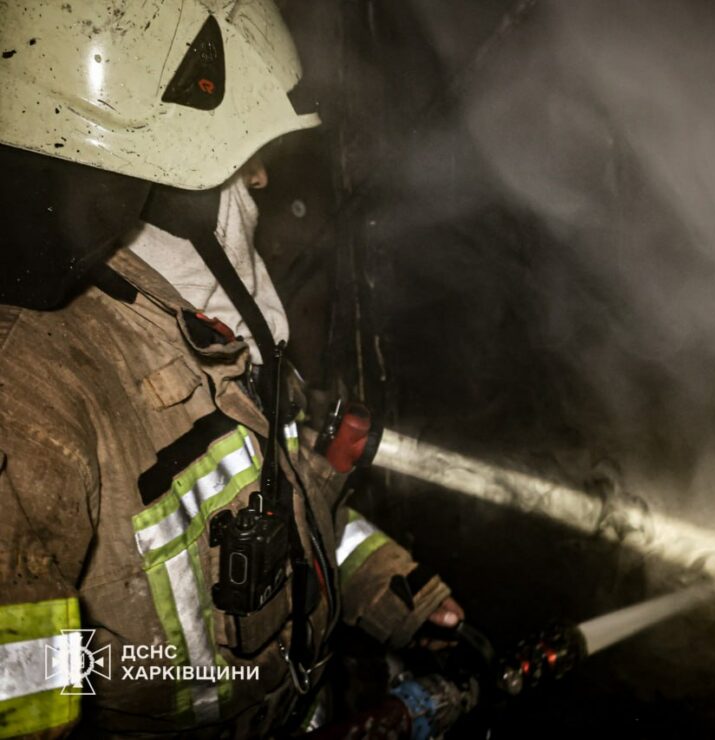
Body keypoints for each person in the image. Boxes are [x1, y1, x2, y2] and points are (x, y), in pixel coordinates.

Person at [0, 1, 461, 736]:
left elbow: (276, 503)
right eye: (241, 165)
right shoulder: (32, 414)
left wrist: (388, 588)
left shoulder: (206, 339)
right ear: (156, 190)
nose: (263, 182)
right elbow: (24, 711)